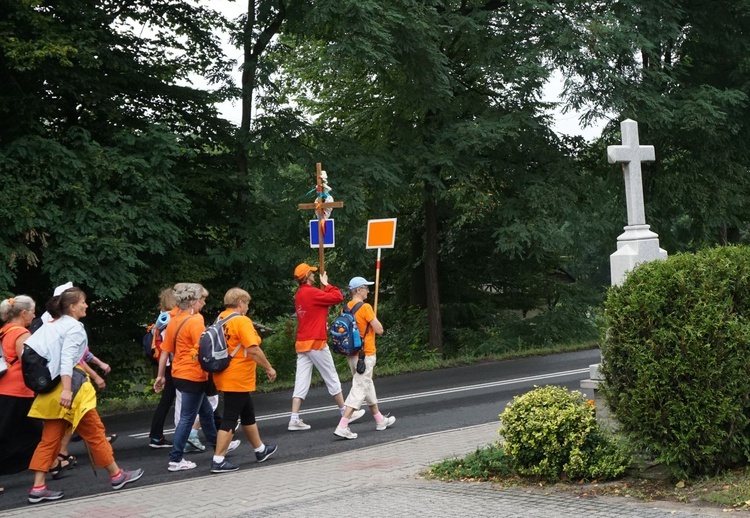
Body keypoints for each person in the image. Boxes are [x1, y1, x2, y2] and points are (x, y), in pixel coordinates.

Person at [25, 287, 143, 504]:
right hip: (72, 390)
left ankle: (38, 487)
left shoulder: (51, 326)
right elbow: (69, 360)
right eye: (83, 302)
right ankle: (117, 476)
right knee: (96, 433)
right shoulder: (74, 327)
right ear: (72, 307)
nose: (86, 305)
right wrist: (68, 390)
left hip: (51, 390)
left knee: (49, 440)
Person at [154, 283, 236, 471]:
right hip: (194, 374)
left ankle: (218, 450)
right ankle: (175, 458)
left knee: (206, 413)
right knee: (187, 418)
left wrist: (160, 376)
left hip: (178, 373)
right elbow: (204, 347)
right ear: (192, 301)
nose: (204, 303)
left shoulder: (173, 320)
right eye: (202, 299)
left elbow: (165, 351)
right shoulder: (195, 320)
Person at [288, 263, 364, 431]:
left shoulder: (299, 294)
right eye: (312, 274)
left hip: (302, 342)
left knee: (301, 381)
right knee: (331, 376)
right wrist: (327, 284)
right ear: (307, 276)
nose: (315, 276)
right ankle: (345, 412)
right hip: (316, 341)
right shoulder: (312, 292)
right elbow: (337, 296)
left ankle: (294, 418)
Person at [210, 288, 278, 473]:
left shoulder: (221, 319)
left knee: (247, 413)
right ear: (240, 303)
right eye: (247, 303)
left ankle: (260, 450)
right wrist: (269, 368)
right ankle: (218, 460)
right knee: (230, 417)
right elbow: (253, 349)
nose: (247, 307)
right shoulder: (241, 321)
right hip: (237, 376)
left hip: (224, 373)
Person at [333, 277, 396, 440]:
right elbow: (380, 329)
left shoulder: (345, 308)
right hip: (366, 354)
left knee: (366, 385)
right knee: (360, 388)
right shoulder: (366, 307)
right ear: (358, 290)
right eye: (366, 288)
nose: (368, 291)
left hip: (352, 355)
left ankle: (380, 420)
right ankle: (343, 425)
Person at [0, 296, 50, 479]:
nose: (34, 315)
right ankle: (51, 465)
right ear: (23, 313)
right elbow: (29, 364)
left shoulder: (3, 331)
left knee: (33, 431)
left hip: (5, 388)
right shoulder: (21, 334)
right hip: (18, 391)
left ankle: (52, 464)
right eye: (32, 311)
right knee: (32, 432)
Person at [147, 287, 179, 448]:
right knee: (196, 396)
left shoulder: (162, 318)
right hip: (173, 363)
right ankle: (219, 426)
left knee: (167, 400)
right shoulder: (172, 319)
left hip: (165, 364)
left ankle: (155, 435)